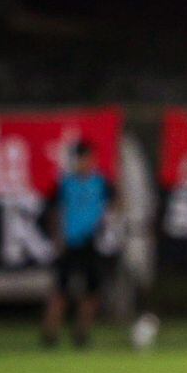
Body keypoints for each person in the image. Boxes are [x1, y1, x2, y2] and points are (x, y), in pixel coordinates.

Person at [41, 141, 116, 348]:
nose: (86, 162)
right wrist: (57, 238)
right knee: (61, 290)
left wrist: (109, 230)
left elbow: (116, 206)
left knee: (92, 291)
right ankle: (50, 334)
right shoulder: (65, 184)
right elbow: (54, 212)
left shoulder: (101, 183)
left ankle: (81, 334)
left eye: (89, 158)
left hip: (93, 242)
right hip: (70, 243)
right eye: (82, 158)